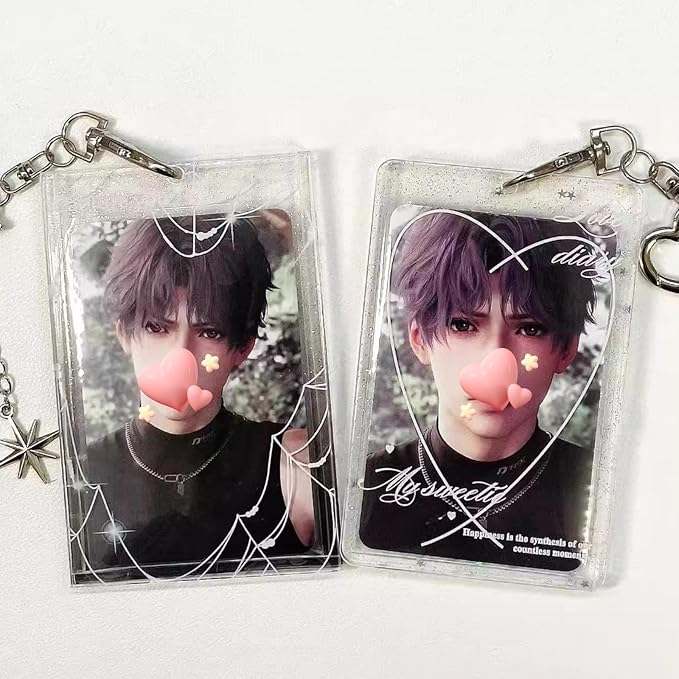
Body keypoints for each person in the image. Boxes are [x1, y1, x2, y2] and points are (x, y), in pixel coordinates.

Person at [360, 211, 599, 571]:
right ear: (419, 339)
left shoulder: (600, 493)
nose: (496, 360)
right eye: (463, 325)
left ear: (566, 349)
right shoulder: (361, 493)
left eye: (530, 328)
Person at [81, 212, 314, 580]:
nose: (181, 356)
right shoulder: (78, 473)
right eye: (157, 327)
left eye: (210, 332)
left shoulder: (296, 464)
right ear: (124, 333)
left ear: (242, 348)